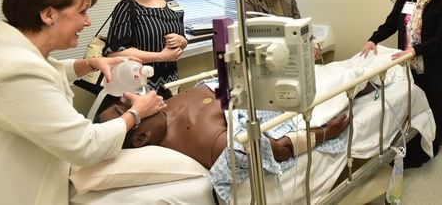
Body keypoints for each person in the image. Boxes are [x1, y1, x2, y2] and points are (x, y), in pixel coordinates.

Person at [0, 0, 167, 205]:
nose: (87, 22)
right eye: (82, 12)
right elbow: (87, 146)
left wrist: (91, 63)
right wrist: (137, 113)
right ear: (49, 15)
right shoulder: (14, 69)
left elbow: (47, 70)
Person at [98, 84, 349, 169]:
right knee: (352, 85)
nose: (131, 99)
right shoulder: (203, 141)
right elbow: (278, 149)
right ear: (140, 137)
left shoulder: (162, 109)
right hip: (288, 102)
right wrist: (326, 132)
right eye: (127, 110)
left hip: (265, 86)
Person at [360, 0, 442, 168]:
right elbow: (391, 23)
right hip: (410, 63)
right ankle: (409, 150)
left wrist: (415, 50)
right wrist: (373, 39)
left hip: (438, 66)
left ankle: (427, 153)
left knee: (433, 109)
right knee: (412, 108)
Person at [103, 0, 187, 99]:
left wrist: (183, 41)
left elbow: (182, 39)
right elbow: (114, 53)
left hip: (171, 83)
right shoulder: (127, 8)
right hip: (139, 87)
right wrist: (161, 57)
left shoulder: (174, 4)